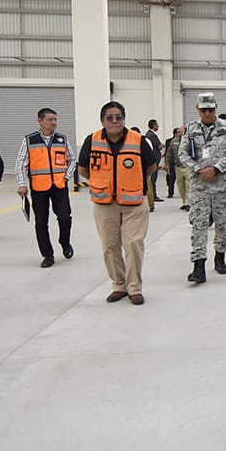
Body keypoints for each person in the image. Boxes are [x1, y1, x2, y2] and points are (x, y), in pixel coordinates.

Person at [77, 101, 158, 304]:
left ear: (124, 119)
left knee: (133, 245)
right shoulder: (92, 140)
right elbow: (83, 169)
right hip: (105, 203)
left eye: (118, 117)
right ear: (102, 120)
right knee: (110, 247)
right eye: (109, 117)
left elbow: (151, 166)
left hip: (134, 202)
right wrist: (101, 184)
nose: (114, 121)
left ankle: (134, 288)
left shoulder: (138, 140)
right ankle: (119, 285)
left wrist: (132, 183)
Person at [179, 93, 226, 283]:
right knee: (198, 224)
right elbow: (183, 154)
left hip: (223, 186)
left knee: (224, 225)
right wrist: (199, 170)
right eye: (204, 110)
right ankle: (198, 265)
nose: (207, 113)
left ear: (216, 109)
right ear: (198, 110)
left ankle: (220, 256)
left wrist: (216, 169)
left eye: (211, 110)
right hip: (200, 187)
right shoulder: (190, 129)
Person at [16, 107, 76, 268]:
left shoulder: (62, 139)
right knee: (41, 222)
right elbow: (21, 164)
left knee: (65, 217)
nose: (54, 123)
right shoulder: (29, 140)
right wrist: (22, 184)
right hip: (39, 187)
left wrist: (66, 177)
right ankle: (47, 254)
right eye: (50, 120)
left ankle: (65, 242)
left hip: (59, 186)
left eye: (55, 119)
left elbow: (72, 160)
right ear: (40, 121)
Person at [143, 119, 164, 209]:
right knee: (153, 178)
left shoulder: (149, 134)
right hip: (153, 160)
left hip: (154, 159)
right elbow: (158, 146)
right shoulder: (151, 135)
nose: (158, 126)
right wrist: (162, 145)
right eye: (157, 124)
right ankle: (153, 195)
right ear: (154, 125)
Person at [168, 126, 189, 210]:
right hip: (178, 167)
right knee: (181, 186)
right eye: (179, 131)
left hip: (187, 167)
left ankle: (188, 203)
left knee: (189, 185)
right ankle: (184, 202)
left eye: (181, 131)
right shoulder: (174, 141)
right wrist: (166, 164)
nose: (179, 133)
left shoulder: (190, 141)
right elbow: (169, 153)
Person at [163, 128, 177, 199]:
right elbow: (167, 153)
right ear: (175, 133)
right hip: (172, 162)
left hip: (180, 163)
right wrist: (166, 163)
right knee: (171, 178)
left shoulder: (183, 140)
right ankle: (170, 193)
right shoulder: (169, 141)